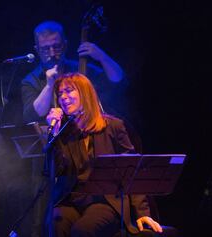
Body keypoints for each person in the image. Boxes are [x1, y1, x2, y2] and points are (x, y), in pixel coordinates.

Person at [45, 72, 163, 237]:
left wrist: (143, 213)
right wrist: (54, 137)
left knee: (82, 231)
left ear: (85, 94)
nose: (63, 97)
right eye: (60, 94)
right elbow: (52, 171)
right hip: (72, 201)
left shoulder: (113, 126)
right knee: (55, 224)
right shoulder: (64, 133)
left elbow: (132, 171)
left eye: (69, 91)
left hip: (105, 201)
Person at [21, 20, 124, 124]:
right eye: (45, 49)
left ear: (65, 45)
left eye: (56, 47)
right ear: (37, 50)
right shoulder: (30, 81)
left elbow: (118, 82)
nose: (52, 53)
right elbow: (31, 115)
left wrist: (102, 57)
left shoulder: (80, 68)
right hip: (58, 138)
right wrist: (49, 86)